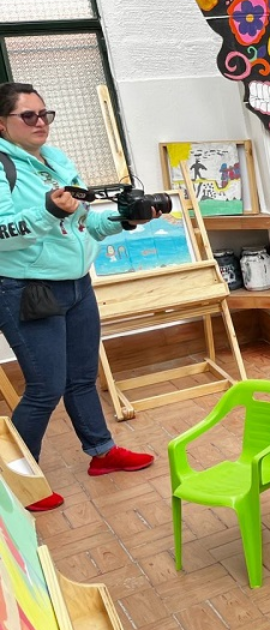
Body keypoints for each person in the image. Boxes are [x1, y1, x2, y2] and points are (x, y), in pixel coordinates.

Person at [0, 82, 157, 511]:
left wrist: (124, 221)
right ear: (2, 123)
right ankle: (18, 484)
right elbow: (3, 235)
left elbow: (83, 222)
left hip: (76, 284)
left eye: (44, 114)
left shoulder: (54, 159)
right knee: (44, 389)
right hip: (27, 289)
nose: (40, 123)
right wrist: (49, 213)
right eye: (27, 116)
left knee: (82, 378)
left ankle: (102, 452)